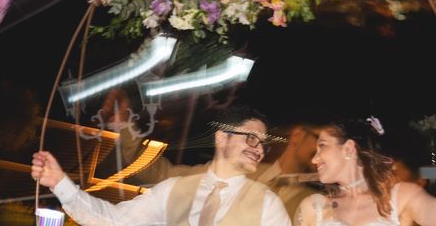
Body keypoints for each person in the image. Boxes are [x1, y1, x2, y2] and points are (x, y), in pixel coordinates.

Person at [32, 105, 291, 225]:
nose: (258, 149)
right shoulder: (173, 189)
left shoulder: (267, 204)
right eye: (251, 138)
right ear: (222, 138)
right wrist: (60, 184)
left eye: (262, 143)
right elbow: (114, 220)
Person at [99, 89, 325, 218]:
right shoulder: (233, 171)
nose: (323, 151)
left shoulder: (311, 202)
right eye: (319, 140)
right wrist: (124, 125)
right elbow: (160, 173)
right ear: (298, 135)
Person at [294, 97, 436, 226]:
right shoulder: (313, 207)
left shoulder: (401, 197)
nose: (314, 157)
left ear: (348, 148)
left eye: (322, 145)